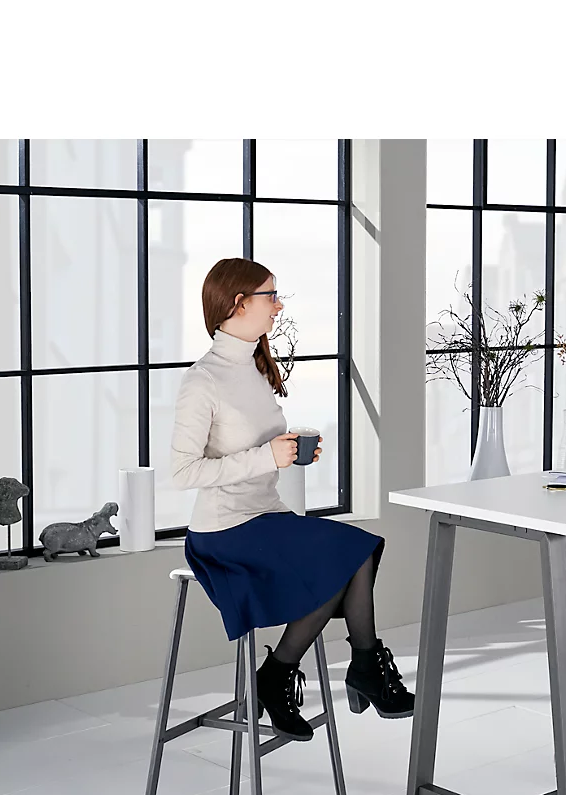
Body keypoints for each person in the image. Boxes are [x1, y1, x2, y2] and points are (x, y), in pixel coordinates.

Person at [172, 257, 414, 740]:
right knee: (351, 552)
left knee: (349, 554)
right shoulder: (203, 381)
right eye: (270, 296)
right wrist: (268, 457)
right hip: (223, 531)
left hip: (265, 517)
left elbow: (257, 450)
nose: (278, 306)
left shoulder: (255, 369)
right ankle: (352, 665)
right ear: (238, 304)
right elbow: (182, 473)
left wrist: (290, 453)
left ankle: (287, 674)